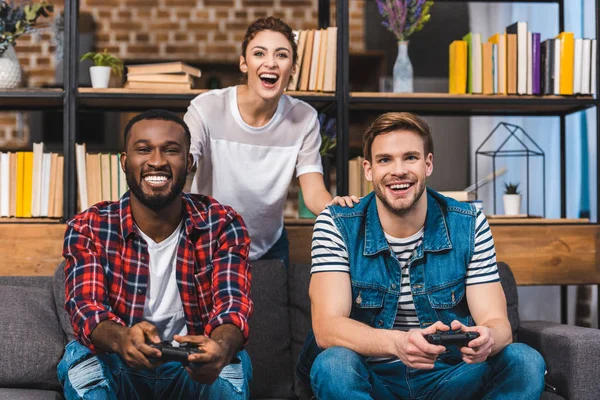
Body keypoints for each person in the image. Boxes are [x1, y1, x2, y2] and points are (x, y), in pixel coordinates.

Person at [296, 112, 546, 399]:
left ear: (428, 164)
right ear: (368, 170)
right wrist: (400, 343)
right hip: (371, 377)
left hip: (449, 375)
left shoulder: (469, 222)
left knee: (524, 361)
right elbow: (328, 328)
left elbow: (499, 326)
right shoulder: (337, 223)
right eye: (385, 159)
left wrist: (487, 337)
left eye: (410, 157)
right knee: (334, 364)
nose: (398, 170)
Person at [58, 109, 253, 400]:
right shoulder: (89, 226)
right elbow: (87, 308)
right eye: (144, 149)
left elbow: (232, 305)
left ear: (188, 162)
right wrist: (123, 338)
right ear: (125, 162)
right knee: (82, 361)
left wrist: (221, 348)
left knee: (231, 363)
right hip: (117, 360)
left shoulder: (222, 224)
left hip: (193, 368)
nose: (157, 161)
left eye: (170, 150)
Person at [184, 16, 357, 268]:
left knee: (271, 308)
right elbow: (182, 161)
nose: (270, 63)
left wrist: (333, 207)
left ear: (293, 68)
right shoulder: (206, 108)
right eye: (259, 53)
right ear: (244, 63)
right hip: (210, 243)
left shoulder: (304, 117)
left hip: (270, 247)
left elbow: (313, 190)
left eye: (281, 55)